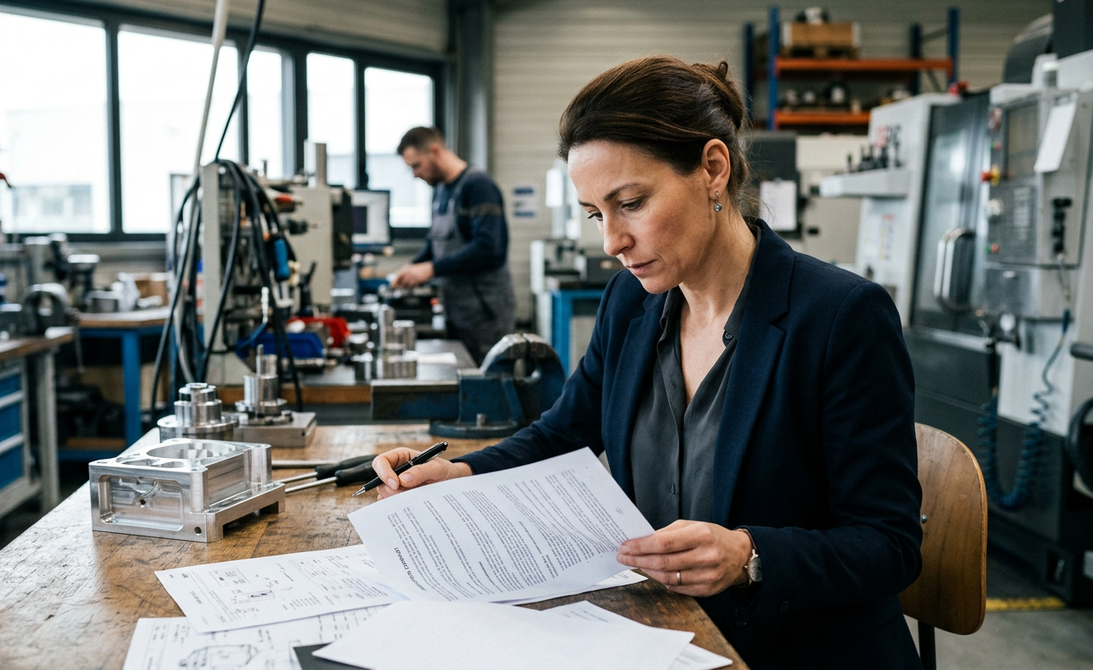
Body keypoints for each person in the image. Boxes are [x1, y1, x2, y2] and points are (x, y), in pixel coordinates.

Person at [371, 57, 923, 669]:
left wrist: (750, 555)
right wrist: (459, 475)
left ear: (713, 169)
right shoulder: (633, 302)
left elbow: (889, 544)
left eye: (630, 202)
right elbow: (563, 430)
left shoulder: (840, 317)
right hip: (662, 634)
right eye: (595, 214)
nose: (611, 241)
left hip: (794, 648)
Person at [390, 126, 516, 364]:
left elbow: (489, 247)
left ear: (435, 151)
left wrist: (430, 269)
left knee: (488, 387)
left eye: (416, 165)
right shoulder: (441, 191)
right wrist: (411, 267)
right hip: (457, 310)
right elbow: (434, 243)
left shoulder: (479, 187)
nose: (415, 174)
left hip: (485, 314)